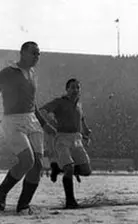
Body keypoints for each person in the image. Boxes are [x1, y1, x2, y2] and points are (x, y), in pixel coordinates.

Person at [0, 41, 56, 214]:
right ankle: (1, 193)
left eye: (38, 53)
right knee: (27, 160)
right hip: (12, 121)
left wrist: (45, 123)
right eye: (33, 53)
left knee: (37, 165)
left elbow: (33, 104)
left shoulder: (33, 74)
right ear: (22, 53)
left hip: (32, 121)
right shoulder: (8, 72)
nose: (36, 56)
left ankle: (23, 205)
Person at [40, 78, 93, 209]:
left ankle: (57, 168)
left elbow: (81, 118)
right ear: (67, 90)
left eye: (77, 88)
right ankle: (70, 201)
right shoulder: (59, 102)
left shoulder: (79, 104)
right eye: (72, 87)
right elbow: (42, 110)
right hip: (62, 139)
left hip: (77, 139)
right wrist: (47, 122)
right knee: (69, 168)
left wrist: (85, 131)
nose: (75, 90)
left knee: (86, 171)